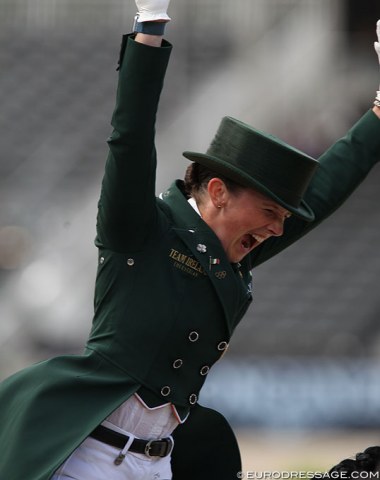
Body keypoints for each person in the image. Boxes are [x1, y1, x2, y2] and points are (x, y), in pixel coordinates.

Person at [0, 1, 379, 479]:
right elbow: (130, 139)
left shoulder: (231, 259)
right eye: (269, 212)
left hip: (160, 461)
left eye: (283, 217)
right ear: (218, 192)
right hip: (83, 454)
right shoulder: (141, 230)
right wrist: (150, 29)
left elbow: (323, 192)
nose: (278, 229)